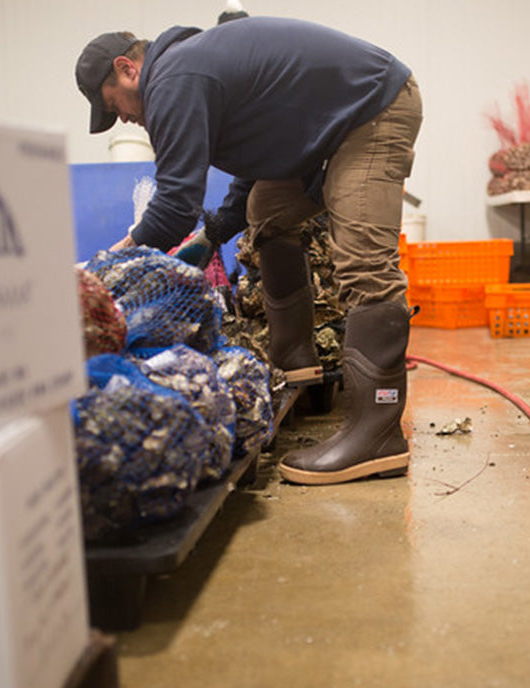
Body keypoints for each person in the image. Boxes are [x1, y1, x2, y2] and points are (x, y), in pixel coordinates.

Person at [75, 17, 422, 487]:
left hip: (372, 109)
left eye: (112, 105)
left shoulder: (174, 77)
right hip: (335, 125)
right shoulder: (191, 68)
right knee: (268, 207)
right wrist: (213, 233)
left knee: (364, 263)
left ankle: (378, 435)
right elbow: (258, 166)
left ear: (126, 69)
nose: (122, 119)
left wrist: (116, 259)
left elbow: (175, 203)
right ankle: (295, 359)